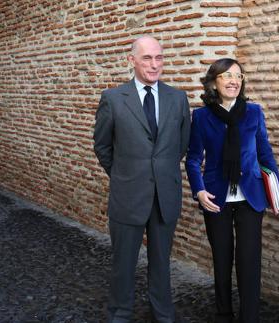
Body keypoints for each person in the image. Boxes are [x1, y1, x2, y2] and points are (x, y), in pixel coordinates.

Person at [93, 36, 191, 323]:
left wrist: (160, 174)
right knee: (123, 263)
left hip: (165, 196)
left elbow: (180, 145)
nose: (154, 64)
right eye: (147, 58)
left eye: (159, 57)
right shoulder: (113, 99)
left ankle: (163, 314)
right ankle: (120, 314)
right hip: (128, 196)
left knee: (161, 263)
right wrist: (124, 176)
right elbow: (102, 146)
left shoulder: (178, 98)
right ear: (131, 60)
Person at [185, 58, 279, 323]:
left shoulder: (254, 112)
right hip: (216, 198)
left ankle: (249, 317)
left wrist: (276, 193)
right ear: (214, 82)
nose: (234, 81)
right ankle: (223, 314)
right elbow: (193, 158)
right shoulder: (202, 116)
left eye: (238, 76)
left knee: (249, 263)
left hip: (250, 197)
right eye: (227, 76)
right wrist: (199, 191)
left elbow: (265, 155)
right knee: (222, 260)